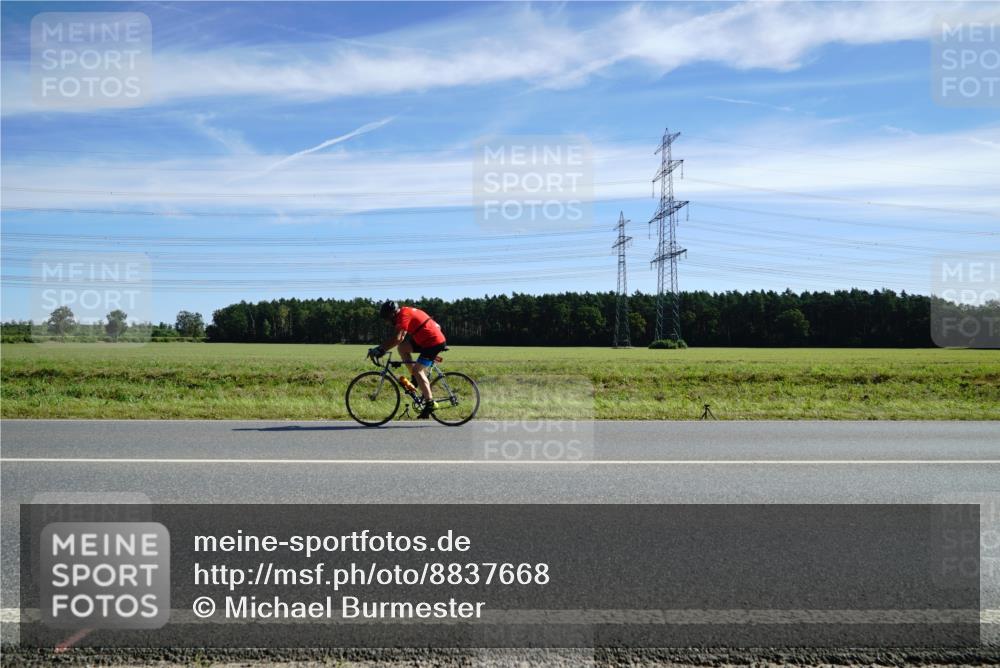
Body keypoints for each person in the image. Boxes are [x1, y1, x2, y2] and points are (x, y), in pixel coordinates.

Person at [369, 300, 447, 419]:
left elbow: (398, 337)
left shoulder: (403, 315)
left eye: (387, 318)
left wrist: (381, 349)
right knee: (402, 348)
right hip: (426, 339)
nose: (387, 321)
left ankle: (430, 403)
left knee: (418, 370)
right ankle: (414, 378)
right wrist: (383, 348)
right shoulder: (405, 313)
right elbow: (401, 339)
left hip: (432, 342)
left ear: (393, 314)